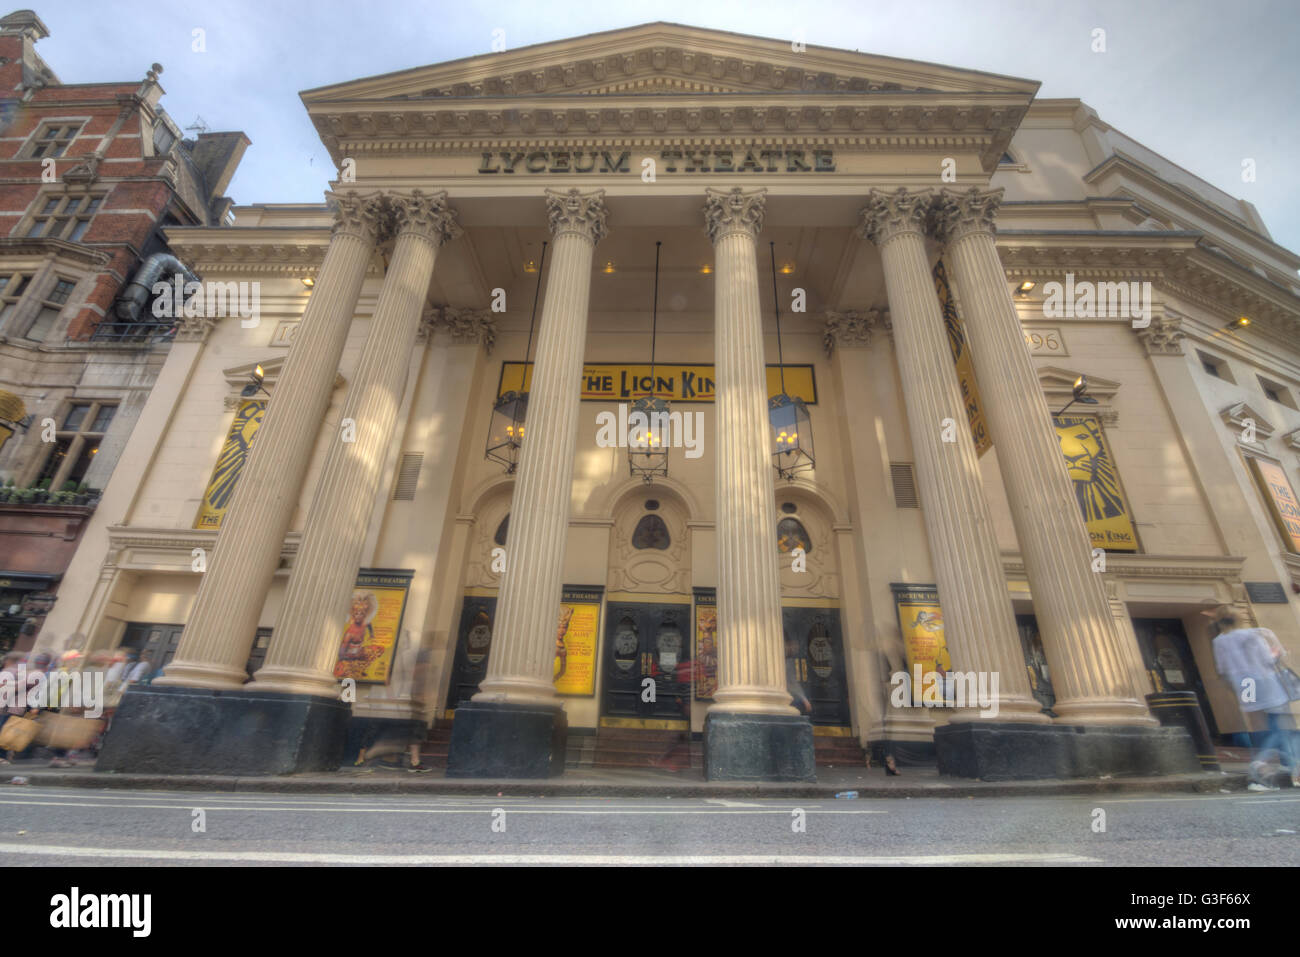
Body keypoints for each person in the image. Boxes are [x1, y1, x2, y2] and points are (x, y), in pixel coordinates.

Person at [1212, 612, 1297, 789]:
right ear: (1238, 621)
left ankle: (1279, 763)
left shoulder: (1219, 641)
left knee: (1258, 725)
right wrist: (1277, 654)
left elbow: (1222, 669)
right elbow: (1267, 660)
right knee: (1279, 724)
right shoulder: (1253, 634)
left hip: (1244, 684)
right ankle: (1267, 763)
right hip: (1264, 681)